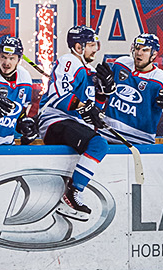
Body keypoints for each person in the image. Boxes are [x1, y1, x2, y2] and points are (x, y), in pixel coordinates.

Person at [36, 26, 113, 219]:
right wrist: (83, 107)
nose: (95, 49)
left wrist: (104, 91)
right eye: (91, 45)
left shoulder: (90, 71)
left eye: (96, 44)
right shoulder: (68, 61)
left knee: (97, 142)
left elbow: (95, 109)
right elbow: (58, 96)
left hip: (71, 123)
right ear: (78, 47)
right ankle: (72, 193)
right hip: (54, 120)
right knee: (98, 144)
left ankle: (70, 193)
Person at [101, 34, 163, 145]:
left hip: (139, 141)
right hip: (107, 134)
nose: (139, 53)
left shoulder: (162, 80)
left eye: (145, 50)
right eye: (137, 48)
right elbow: (105, 94)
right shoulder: (121, 64)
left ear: (154, 54)